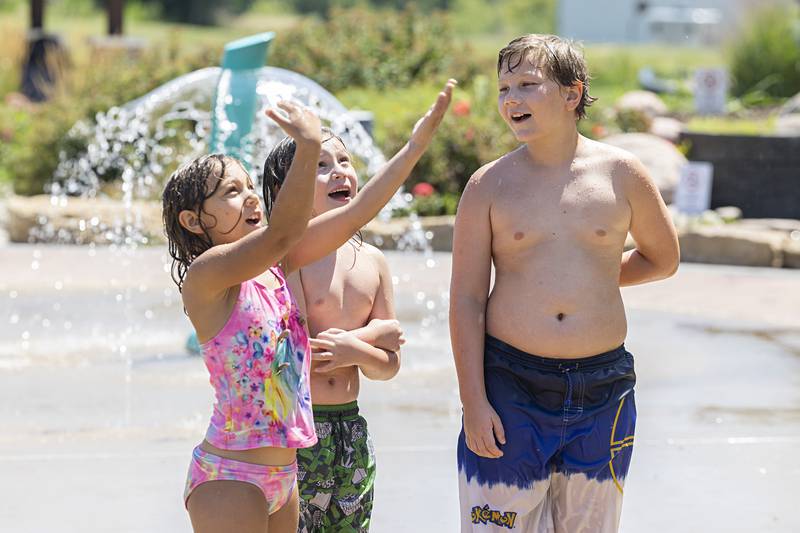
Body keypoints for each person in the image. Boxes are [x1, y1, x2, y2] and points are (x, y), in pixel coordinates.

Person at [162, 79, 455, 533]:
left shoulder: (276, 265)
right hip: (231, 474)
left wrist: (415, 146)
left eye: (248, 186)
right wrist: (308, 143)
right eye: (231, 192)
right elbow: (282, 232)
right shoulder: (209, 276)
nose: (251, 197)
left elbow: (355, 215)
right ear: (193, 220)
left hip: (285, 474)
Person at [449, 34, 679, 532]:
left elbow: (663, 258)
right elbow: (467, 300)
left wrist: (596, 277)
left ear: (572, 94)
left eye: (528, 85)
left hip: (603, 386)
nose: (511, 98)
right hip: (510, 382)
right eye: (504, 86)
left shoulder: (621, 173)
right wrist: (473, 400)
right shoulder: (488, 185)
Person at [263, 128, 406, 532]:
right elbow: (296, 360)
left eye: (344, 162)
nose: (339, 172)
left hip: (352, 430)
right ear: (285, 189)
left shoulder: (373, 261)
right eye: (320, 166)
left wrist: (357, 351)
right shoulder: (288, 258)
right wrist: (369, 337)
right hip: (299, 432)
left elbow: (389, 366)